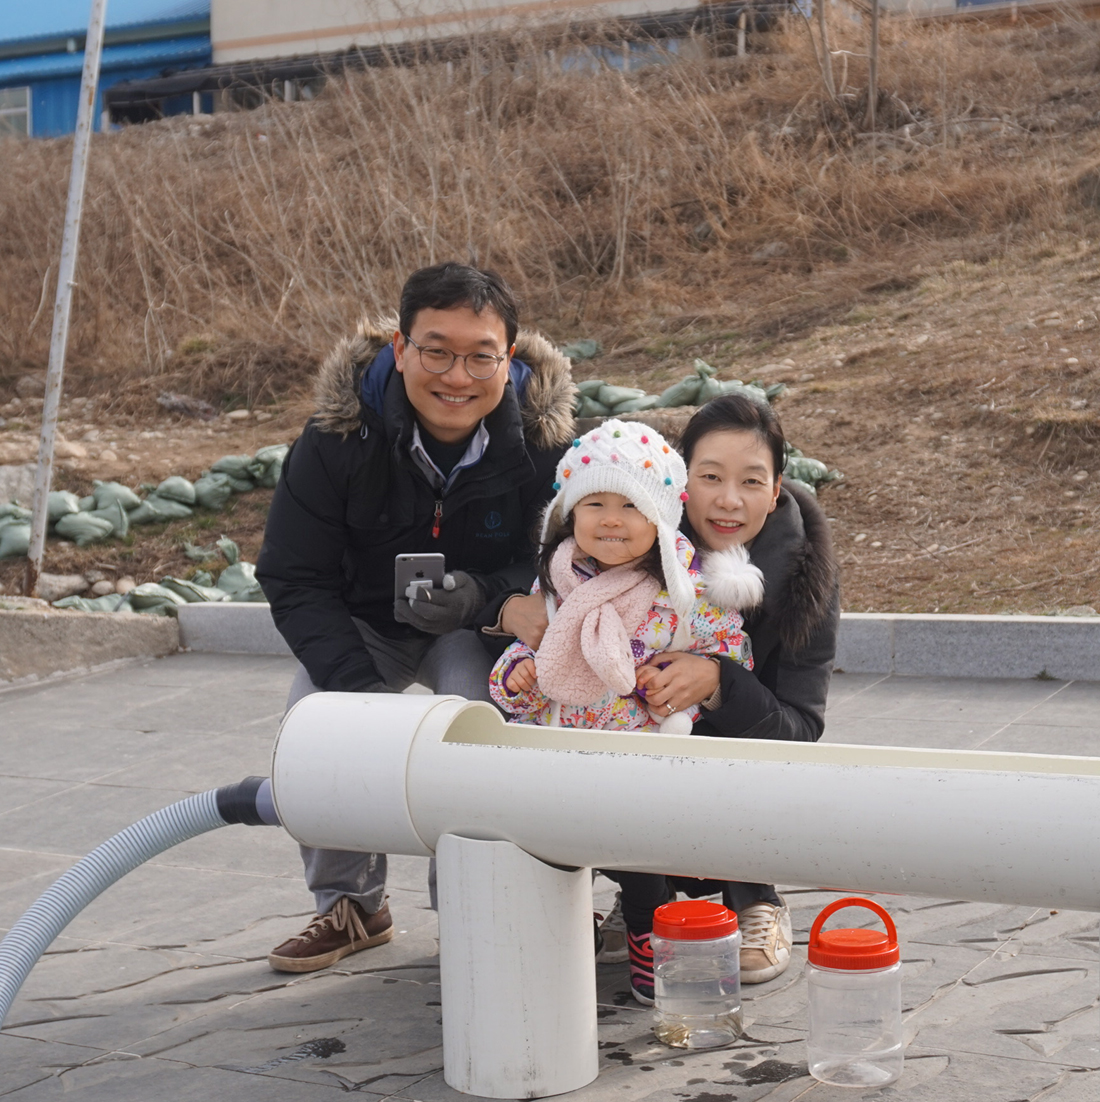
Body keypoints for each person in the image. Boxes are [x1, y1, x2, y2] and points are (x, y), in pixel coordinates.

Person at [256, 263, 575, 972]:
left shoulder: (541, 442)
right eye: (436, 350)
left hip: (473, 625)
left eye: (479, 356)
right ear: (401, 349)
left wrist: (486, 597)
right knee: (317, 725)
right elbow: (293, 574)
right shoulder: (338, 437)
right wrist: (359, 696)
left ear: (509, 359)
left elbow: (565, 556)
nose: (456, 376)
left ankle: (471, 903)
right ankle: (351, 904)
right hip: (363, 623)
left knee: (477, 724)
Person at [485, 394, 839, 991]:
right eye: (710, 477)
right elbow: (538, 598)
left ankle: (753, 896)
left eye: (752, 481)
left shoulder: (800, 578)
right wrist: (507, 617)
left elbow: (801, 729)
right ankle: (644, 893)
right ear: (677, 484)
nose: (729, 499)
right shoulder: (618, 545)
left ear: (776, 491)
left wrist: (722, 681)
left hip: (739, 759)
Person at [488, 419, 764, 733]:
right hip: (554, 744)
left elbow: (732, 653)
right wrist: (517, 673)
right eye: (594, 503)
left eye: (631, 505)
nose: (610, 520)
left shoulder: (688, 593)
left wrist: (700, 678)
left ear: (659, 523)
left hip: (639, 753)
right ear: (570, 515)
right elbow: (538, 644)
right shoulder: (560, 578)